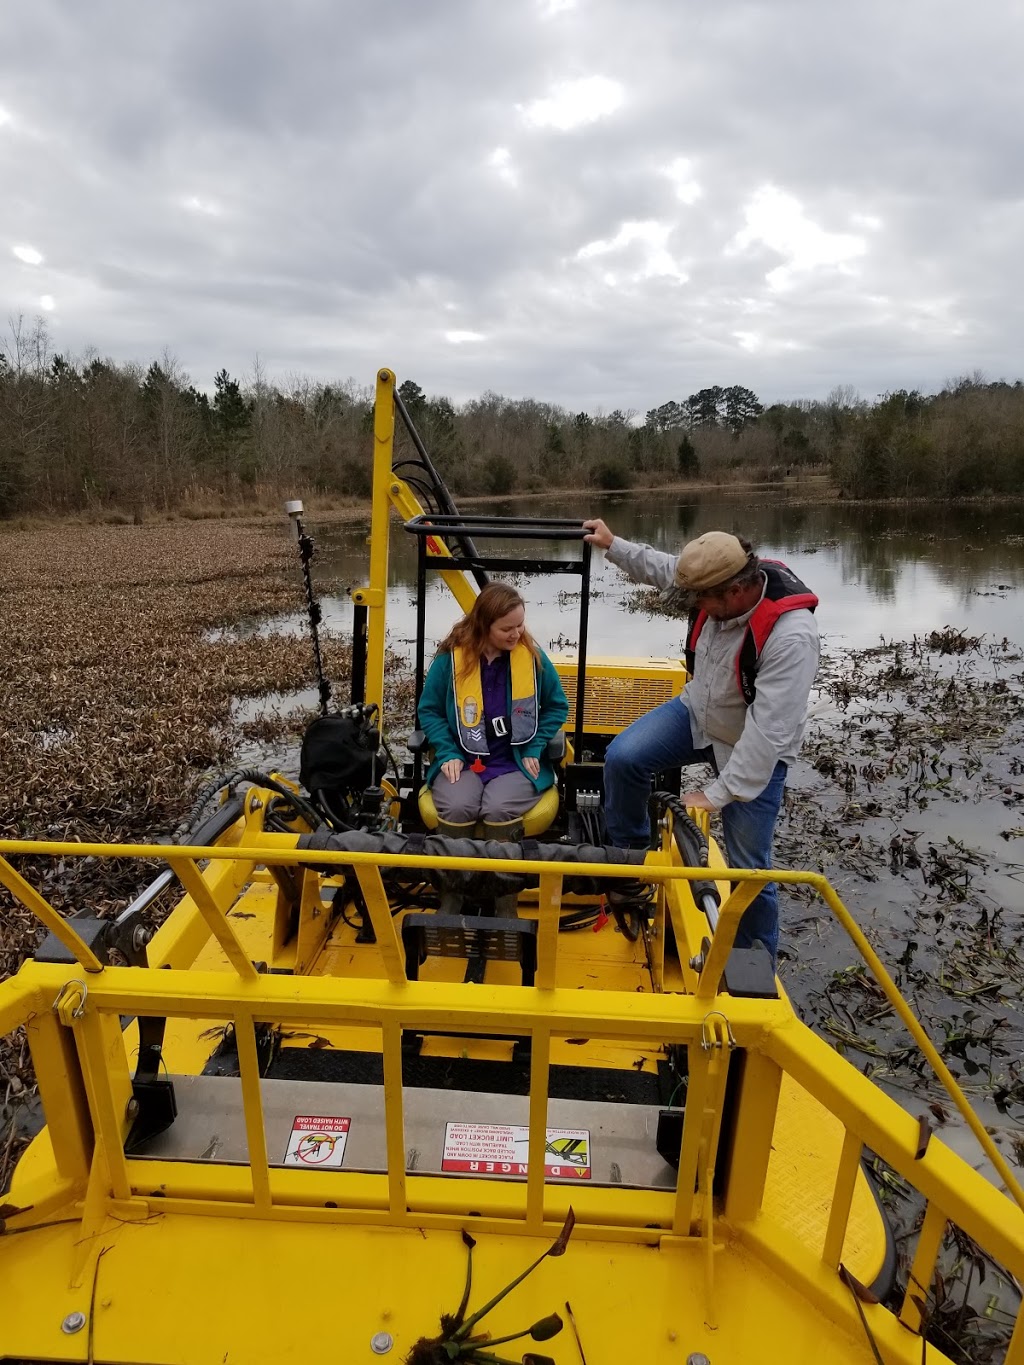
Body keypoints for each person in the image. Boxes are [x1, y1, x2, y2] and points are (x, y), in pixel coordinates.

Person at [581, 521, 819, 963]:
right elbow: (666, 567)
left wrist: (715, 795)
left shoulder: (792, 637)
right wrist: (614, 545)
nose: (697, 609)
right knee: (624, 758)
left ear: (734, 592)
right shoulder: (717, 579)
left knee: (750, 866)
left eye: (702, 602)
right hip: (697, 713)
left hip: (752, 744)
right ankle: (633, 863)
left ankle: (754, 963)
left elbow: (768, 734)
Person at [417, 582, 569, 841]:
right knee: (457, 807)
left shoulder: (534, 659)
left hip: (515, 763)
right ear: (483, 626)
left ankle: (501, 880)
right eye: (506, 629)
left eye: (520, 625)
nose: (517, 634)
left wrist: (535, 745)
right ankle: (456, 878)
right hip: (464, 762)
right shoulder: (449, 661)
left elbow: (557, 707)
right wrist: (447, 751)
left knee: (498, 809)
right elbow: (429, 711)